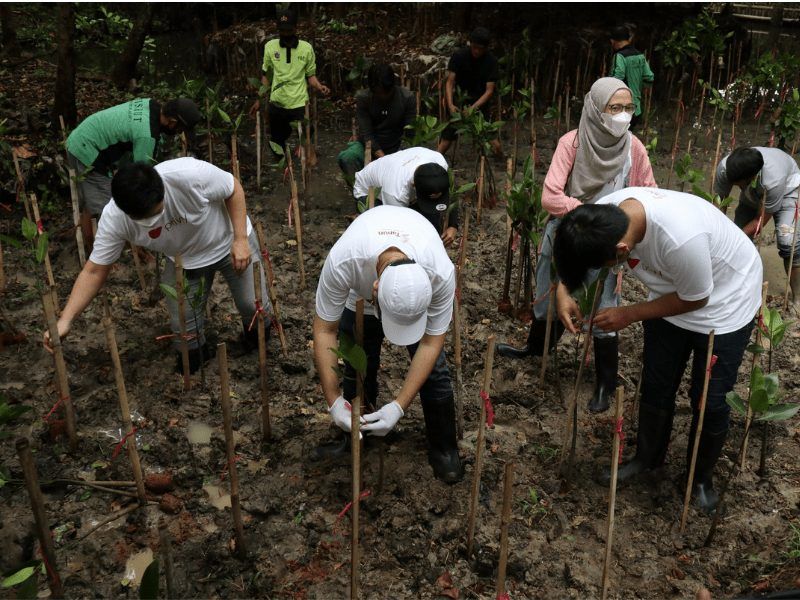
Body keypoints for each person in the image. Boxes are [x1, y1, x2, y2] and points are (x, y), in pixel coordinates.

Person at [553, 187, 762, 512]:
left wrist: (629, 313)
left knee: (711, 396)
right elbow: (578, 252)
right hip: (671, 291)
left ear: (621, 251)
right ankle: (647, 459)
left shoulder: (681, 238)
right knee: (657, 379)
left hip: (725, 302)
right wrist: (563, 290)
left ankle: (700, 478)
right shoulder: (603, 216)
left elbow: (696, 299)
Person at [496, 77, 656, 414]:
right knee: (549, 290)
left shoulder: (634, 149)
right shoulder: (573, 143)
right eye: (615, 108)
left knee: (604, 300)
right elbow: (550, 196)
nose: (623, 115)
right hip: (567, 232)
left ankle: (605, 383)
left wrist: (616, 224)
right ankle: (536, 349)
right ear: (597, 110)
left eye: (628, 108)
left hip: (609, 239)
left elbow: (649, 193)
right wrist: (588, 213)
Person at [43, 158, 271, 373]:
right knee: (184, 329)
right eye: (144, 218)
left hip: (227, 241)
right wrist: (66, 320)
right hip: (182, 260)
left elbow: (233, 189)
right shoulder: (114, 219)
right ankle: (195, 368)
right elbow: (94, 271)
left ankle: (258, 349)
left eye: (157, 211)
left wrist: (240, 239)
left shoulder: (189, 175)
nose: (154, 221)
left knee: (253, 306)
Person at [312, 205, 463, 483]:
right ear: (376, 289)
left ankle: (444, 447)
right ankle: (355, 435)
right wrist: (333, 402)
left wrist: (399, 405)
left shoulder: (440, 272)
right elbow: (325, 330)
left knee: (436, 372)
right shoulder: (345, 261)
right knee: (358, 362)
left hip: (414, 261)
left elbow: (430, 343)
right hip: (356, 295)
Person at [66, 97, 202, 244]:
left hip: (83, 138)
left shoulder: (151, 105)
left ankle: (88, 240)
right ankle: (96, 255)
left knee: (94, 201)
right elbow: (142, 180)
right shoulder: (147, 135)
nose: (178, 133)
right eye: (180, 129)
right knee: (104, 208)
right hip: (86, 149)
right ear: (172, 122)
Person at [714, 146, 800, 308]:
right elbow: (718, 205)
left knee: (788, 243)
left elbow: (759, 221)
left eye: (739, 185)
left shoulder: (773, 180)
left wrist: (733, 237)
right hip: (754, 187)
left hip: (788, 187)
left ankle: (798, 299)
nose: (737, 188)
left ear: (751, 178)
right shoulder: (726, 169)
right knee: (739, 236)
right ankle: (732, 287)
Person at [251, 9, 329, 154]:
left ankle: (306, 159)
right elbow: (266, 76)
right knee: (276, 142)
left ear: (295, 28)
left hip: (298, 102)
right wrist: (259, 99)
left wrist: (320, 86)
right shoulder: (270, 47)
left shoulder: (306, 48)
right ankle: (285, 170)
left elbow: (310, 76)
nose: (286, 34)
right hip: (277, 101)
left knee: (307, 132)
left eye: (289, 30)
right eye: (282, 30)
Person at [352, 147, 458, 247]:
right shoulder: (395, 192)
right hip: (369, 192)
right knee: (384, 234)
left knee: (432, 224)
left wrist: (453, 225)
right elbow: (399, 229)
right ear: (414, 186)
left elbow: (451, 192)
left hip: (399, 173)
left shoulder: (440, 163)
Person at [337, 63, 416, 187]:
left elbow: (410, 134)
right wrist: (382, 158)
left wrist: (396, 160)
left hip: (397, 148)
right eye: (378, 94)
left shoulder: (407, 98)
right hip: (369, 147)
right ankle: (361, 195)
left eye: (386, 93)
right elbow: (366, 133)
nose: (383, 97)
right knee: (347, 158)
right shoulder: (364, 98)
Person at [437, 27, 502, 158]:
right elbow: (450, 82)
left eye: (480, 48)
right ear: (470, 44)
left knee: (495, 145)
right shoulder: (459, 56)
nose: (476, 51)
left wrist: (473, 109)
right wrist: (450, 105)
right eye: (474, 47)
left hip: (480, 104)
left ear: (486, 48)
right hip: (459, 104)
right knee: (445, 140)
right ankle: (433, 161)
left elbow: (489, 91)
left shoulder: (491, 62)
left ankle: (502, 161)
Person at [609, 25, 654, 129]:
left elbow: (617, 78)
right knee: (628, 138)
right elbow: (649, 78)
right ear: (628, 39)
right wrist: (637, 88)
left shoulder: (619, 56)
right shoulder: (640, 55)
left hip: (621, 110)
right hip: (636, 109)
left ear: (612, 41)